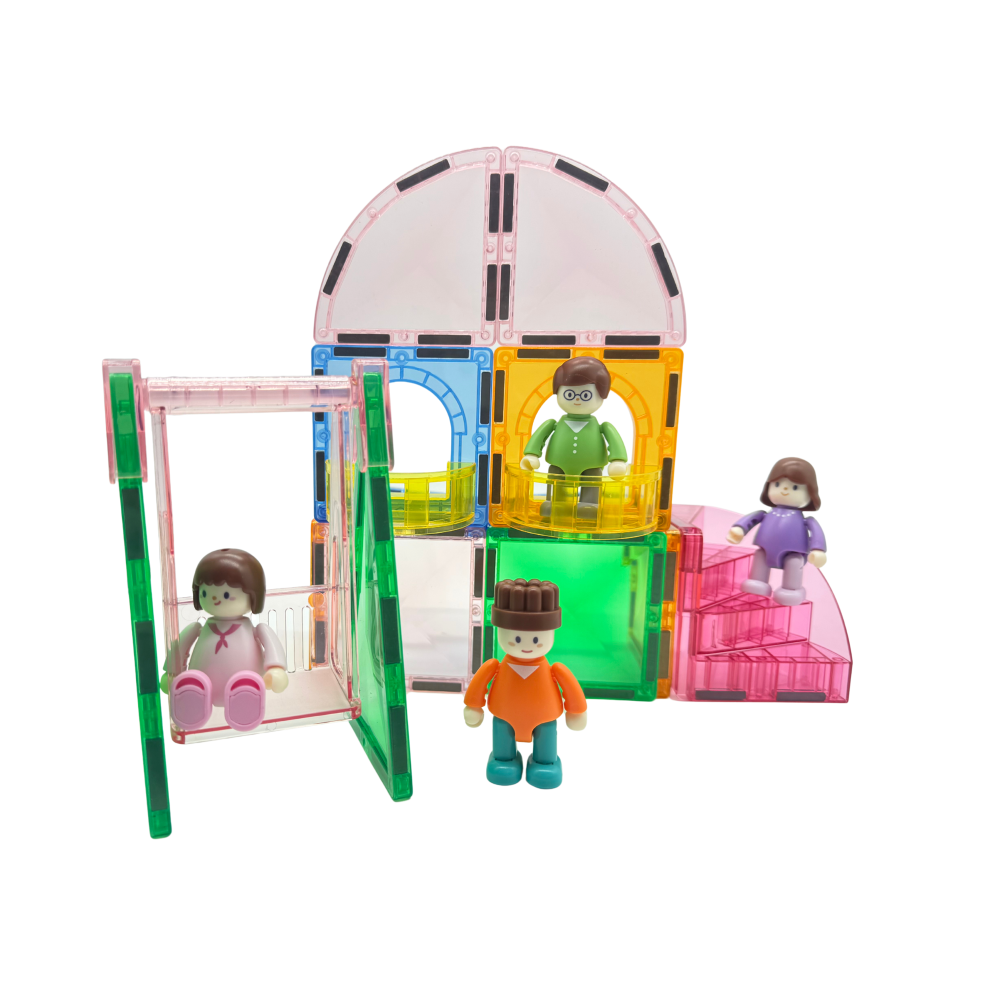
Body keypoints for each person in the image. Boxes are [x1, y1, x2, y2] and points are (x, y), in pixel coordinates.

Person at [161, 548, 288, 732]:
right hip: (202, 682)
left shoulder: (255, 629)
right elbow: (180, 647)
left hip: (246, 680)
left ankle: (246, 702)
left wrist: (276, 669)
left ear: (254, 595)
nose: (215, 599)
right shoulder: (198, 628)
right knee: (196, 685)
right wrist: (172, 672)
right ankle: (192, 697)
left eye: (227, 594)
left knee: (245, 686)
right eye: (205, 593)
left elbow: (272, 646)